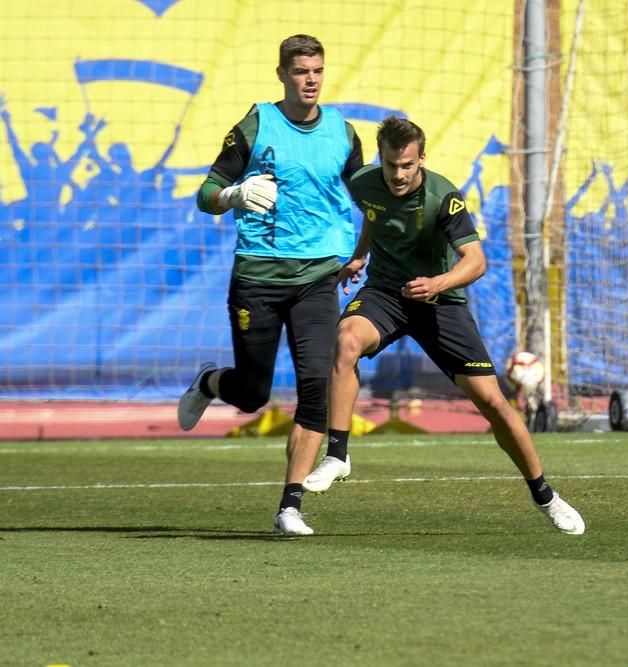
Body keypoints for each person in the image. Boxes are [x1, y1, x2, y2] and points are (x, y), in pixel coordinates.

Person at [303, 116, 585, 535]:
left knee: (494, 404)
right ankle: (337, 455)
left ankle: (545, 495)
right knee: (346, 341)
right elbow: (374, 216)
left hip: (440, 303)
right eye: (391, 165)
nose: (398, 175)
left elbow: (476, 262)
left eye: (407, 166)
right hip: (386, 294)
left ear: (422, 160)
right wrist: (361, 255)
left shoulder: (443, 198)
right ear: (381, 159)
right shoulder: (364, 183)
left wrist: (437, 283)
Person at [178, 34, 363, 536]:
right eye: (301, 71)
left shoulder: (343, 132)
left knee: (316, 386)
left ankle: (290, 507)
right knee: (252, 394)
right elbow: (206, 194)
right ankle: (210, 382)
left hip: (318, 278)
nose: (310, 80)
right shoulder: (256, 124)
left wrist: (363, 251)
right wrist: (234, 195)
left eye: (317, 71)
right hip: (258, 277)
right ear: (282, 74)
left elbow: (370, 197)